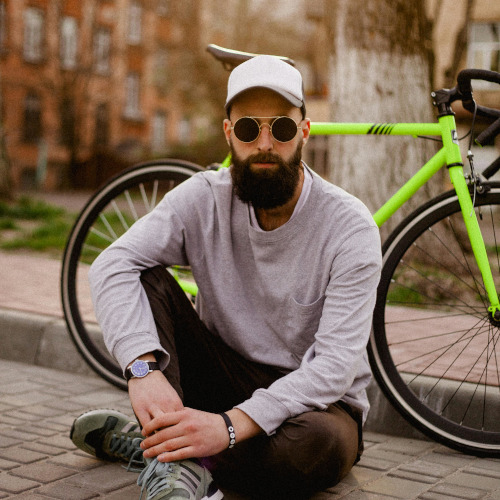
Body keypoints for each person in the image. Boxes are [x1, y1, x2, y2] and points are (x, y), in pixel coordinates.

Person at [70, 54, 382, 500]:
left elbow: (332, 369)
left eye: (283, 128)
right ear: (229, 133)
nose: (266, 143)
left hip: (316, 407)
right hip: (221, 375)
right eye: (250, 129)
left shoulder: (349, 226)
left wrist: (229, 427)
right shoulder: (202, 197)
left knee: (317, 447)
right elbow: (113, 263)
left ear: (305, 133)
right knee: (146, 275)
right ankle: (180, 450)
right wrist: (141, 368)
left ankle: (162, 450)